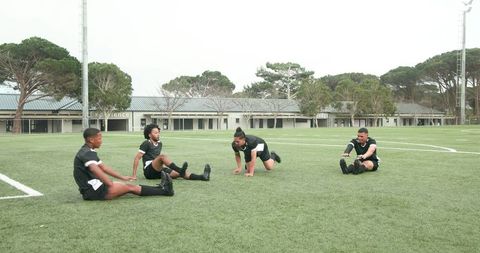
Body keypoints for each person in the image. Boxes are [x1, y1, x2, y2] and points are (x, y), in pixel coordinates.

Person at [73, 128, 174, 200]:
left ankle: (161, 188)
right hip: (95, 191)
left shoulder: (87, 151)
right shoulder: (87, 153)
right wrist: (109, 183)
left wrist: (122, 177)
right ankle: (165, 191)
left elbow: (103, 168)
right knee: (130, 188)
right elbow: (95, 169)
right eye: (99, 138)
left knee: (127, 186)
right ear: (91, 140)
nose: (101, 141)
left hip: (94, 188)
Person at [132, 123, 210, 181]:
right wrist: (134, 175)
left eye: (158, 132)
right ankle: (180, 170)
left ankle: (202, 177)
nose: (158, 134)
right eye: (155, 133)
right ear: (149, 135)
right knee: (162, 156)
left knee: (178, 174)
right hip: (149, 171)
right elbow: (137, 158)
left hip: (159, 169)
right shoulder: (146, 143)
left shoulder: (160, 143)